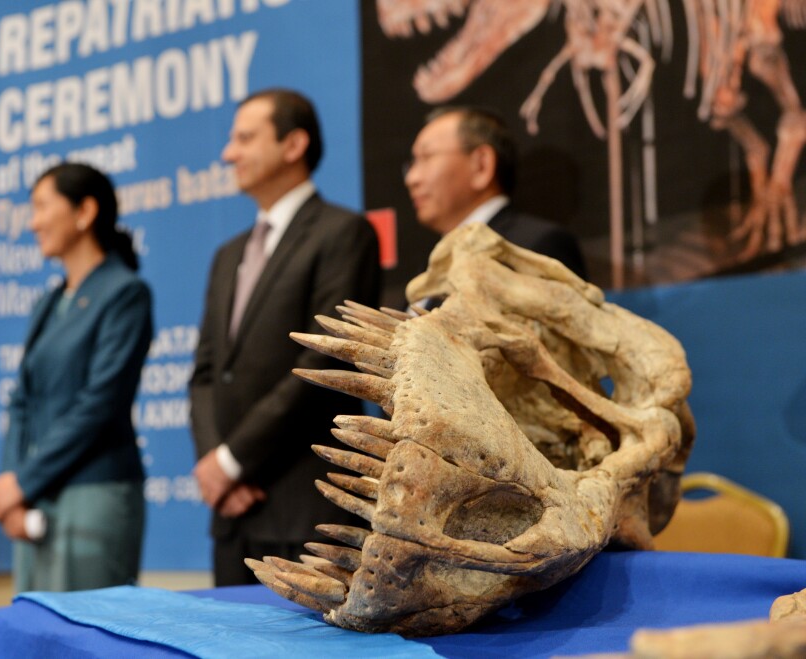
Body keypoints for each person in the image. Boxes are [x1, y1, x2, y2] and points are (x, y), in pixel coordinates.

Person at [189, 88, 382, 586]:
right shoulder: (226, 255)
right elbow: (207, 372)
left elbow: (325, 363)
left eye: (244, 138)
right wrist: (216, 468)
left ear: (293, 144)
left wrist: (233, 461)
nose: (228, 153)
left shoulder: (343, 233)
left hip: (305, 507)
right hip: (233, 513)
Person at [0, 162, 153, 593]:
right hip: (37, 494)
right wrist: (12, 488)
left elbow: (101, 402)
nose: (33, 222)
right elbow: (21, 399)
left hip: (94, 493)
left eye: (41, 207)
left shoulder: (124, 292)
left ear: (84, 211)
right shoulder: (48, 302)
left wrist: (23, 481)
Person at [404, 106, 588, 279]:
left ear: (481, 165)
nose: (411, 179)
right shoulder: (433, 261)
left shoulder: (534, 249)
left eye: (426, 157)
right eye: (413, 163)